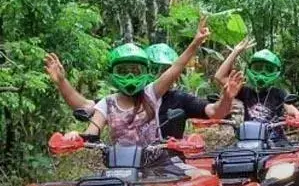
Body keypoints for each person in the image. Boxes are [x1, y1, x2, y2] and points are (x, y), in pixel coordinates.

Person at [45, 41, 242, 140]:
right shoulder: (108, 102)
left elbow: (215, 111)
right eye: (124, 71)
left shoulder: (152, 94)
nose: (130, 77)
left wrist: (195, 43)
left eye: (135, 71)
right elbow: (90, 126)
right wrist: (76, 137)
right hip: (119, 168)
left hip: (160, 164)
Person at [214, 37, 299, 144]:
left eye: (268, 69)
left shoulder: (278, 93)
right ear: (251, 68)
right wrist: (235, 52)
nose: (262, 73)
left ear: (276, 71)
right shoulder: (245, 91)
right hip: (249, 140)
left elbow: (290, 108)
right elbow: (220, 77)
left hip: (276, 141)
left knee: (289, 159)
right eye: (258, 68)